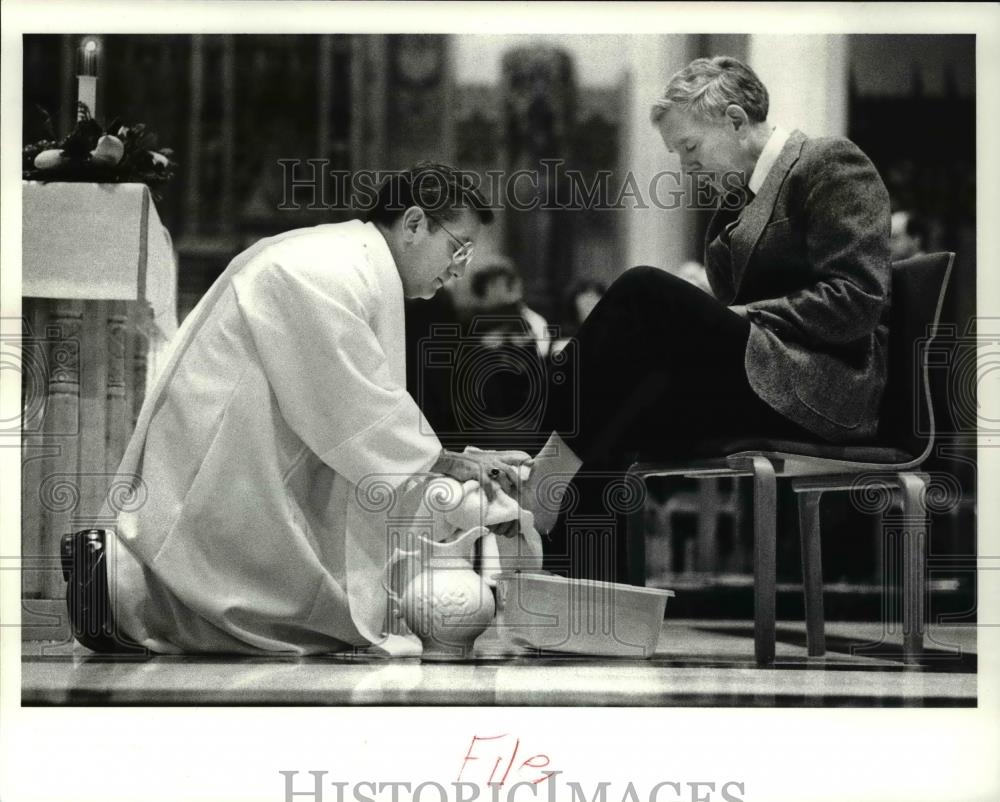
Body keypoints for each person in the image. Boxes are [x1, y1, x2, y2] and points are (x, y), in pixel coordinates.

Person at [71, 162, 531, 654]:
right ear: (414, 224)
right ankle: (121, 590)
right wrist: (448, 460)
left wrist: (442, 461)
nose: (462, 266)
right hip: (218, 454)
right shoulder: (325, 269)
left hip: (248, 446)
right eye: (458, 246)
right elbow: (353, 406)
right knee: (222, 599)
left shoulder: (348, 261)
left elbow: (358, 408)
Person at [522, 56, 892, 582]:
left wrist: (737, 316)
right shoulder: (734, 204)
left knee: (644, 288)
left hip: (824, 385)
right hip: (763, 378)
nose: (685, 168)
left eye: (690, 149)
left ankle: (534, 454)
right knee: (622, 402)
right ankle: (585, 601)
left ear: (737, 121)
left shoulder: (828, 165)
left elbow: (856, 299)